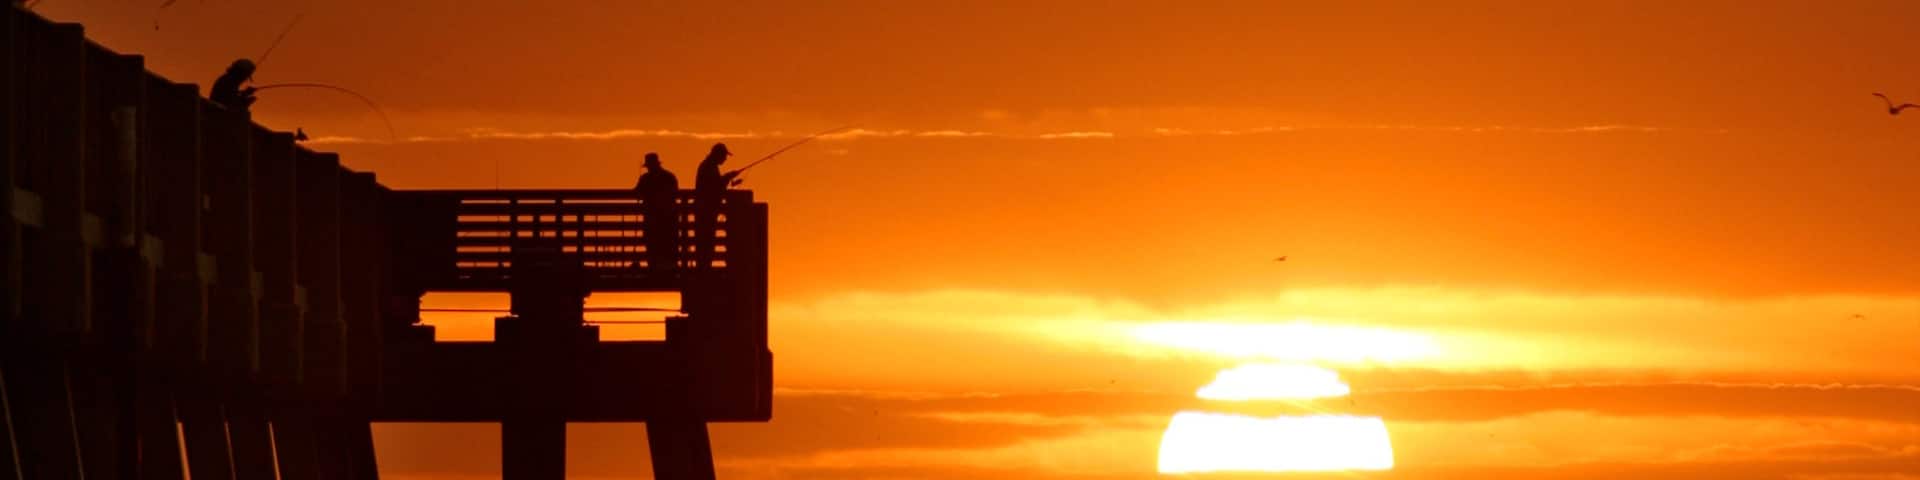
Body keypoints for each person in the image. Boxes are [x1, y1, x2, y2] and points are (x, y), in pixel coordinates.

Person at [691, 143, 741, 269]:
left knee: (705, 239)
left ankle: (704, 265)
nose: (725, 159)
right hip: (706, 210)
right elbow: (713, 187)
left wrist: (726, 177)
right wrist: (727, 177)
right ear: (718, 155)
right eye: (724, 156)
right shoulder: (709, 167)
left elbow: (714, 185)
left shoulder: (708, 165)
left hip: (704, 209)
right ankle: (704, 266)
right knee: (706, 239)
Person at [634, 152, 680, 275]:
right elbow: (675, 194)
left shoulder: (645, 179)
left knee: (653, 243)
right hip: (668, 218)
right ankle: (669, 270)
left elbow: (636, 193)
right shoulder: (669, 177)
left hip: (653, 219)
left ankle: (654, 269)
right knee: (666, 244)